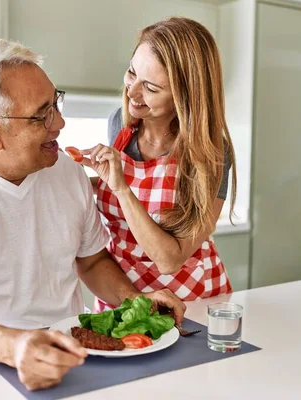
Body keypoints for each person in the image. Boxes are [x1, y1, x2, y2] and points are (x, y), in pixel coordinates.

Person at [0, 38, 185, 392]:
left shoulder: (67, 171)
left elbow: (91, 262)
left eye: (56, 102)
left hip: (71, 356)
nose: (59, 122)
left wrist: (135, 301)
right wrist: (16, 346)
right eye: (40, 114)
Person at [78, 17, 238, 312]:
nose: (132, 92)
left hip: (192, 301)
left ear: (186, 96)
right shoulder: (120, 125)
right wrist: (69, 176)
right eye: (131, 72)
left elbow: (169, 259)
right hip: (124, 294)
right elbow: (112, 192)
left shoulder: (210, 152)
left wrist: (121, 188)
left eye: (150, 88)